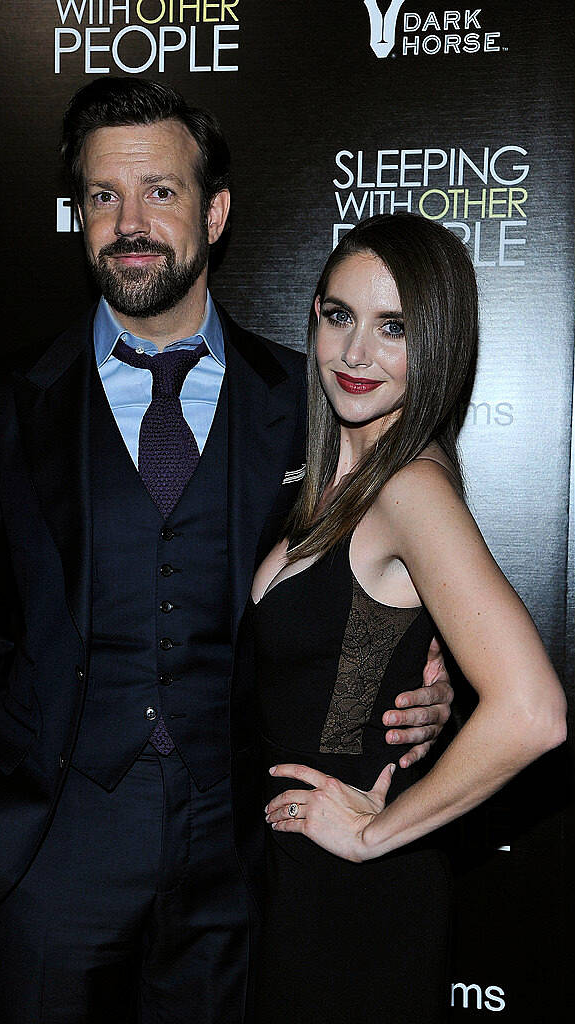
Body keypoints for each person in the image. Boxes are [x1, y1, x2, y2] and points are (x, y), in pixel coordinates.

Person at [0, 81, 455, 1024]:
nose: (130, 223)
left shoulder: (310, 399)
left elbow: (377, 577)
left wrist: (421, 675)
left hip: (238, 855)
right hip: (51, 850)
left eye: (160, 192)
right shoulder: (6, 401)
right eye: (102, 196)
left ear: (213, 213)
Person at [241, 213, 567, 1023]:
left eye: (394, 328)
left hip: (352, 901)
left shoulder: (408, 489)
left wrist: (370, 837)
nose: (355, 354)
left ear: (441, 344)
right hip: (285, 881)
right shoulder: (329, 477)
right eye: (339, 315)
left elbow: (532, 712)